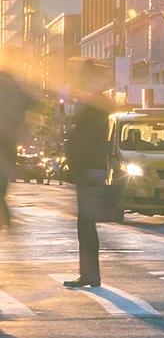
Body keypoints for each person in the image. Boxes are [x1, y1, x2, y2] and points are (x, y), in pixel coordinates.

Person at [64, 58, 113, 288]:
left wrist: (94, 167)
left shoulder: (96, 103)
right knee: (86, 222)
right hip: (88, 168)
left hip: (90, 168)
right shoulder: (93, 102)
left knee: (86, 222)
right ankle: (90, 274)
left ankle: (90, 274)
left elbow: (94, 139)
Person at [0, 71, 34, 231]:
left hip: (7, 142)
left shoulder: (13, 91)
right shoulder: (16, 91)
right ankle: (4, 215)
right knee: (3, 181)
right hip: (8, 141)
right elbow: (31, 103)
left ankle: (4, 215)